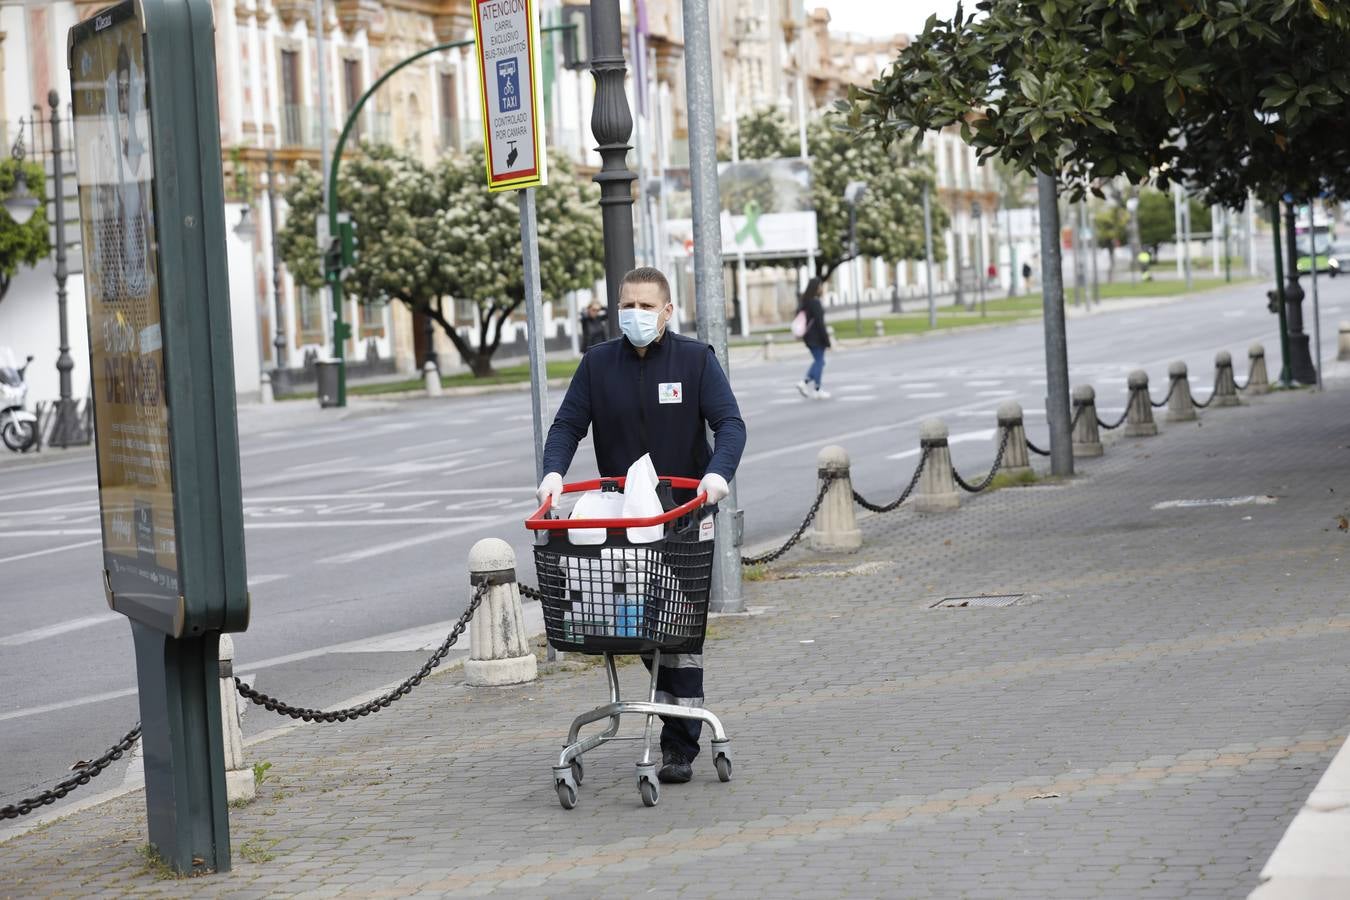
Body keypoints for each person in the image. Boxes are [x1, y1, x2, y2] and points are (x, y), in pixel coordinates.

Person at [537, 266, 746, 785]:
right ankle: (673, 714)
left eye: (646, 305)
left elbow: (730, 424)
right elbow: (567, 425)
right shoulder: (597, 364)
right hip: (623, 521)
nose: (635, 313)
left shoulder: (695, 361)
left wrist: (716, 476)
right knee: (634, 627)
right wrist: (552, 476)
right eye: (627, 304)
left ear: (668, 311)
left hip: (681, 516)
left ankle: (678, 745)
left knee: (677, 632)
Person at [795, 276, 831, 400]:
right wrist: (827, 340)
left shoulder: (805, 301)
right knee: (819, 361)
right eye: (820, 286)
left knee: (819, 362)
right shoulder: (815, 302)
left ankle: (817, 388)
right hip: (816, 337)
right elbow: (820, 323)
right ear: (816, 288)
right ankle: (805, 382)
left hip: (808, 337)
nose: (822, 288)